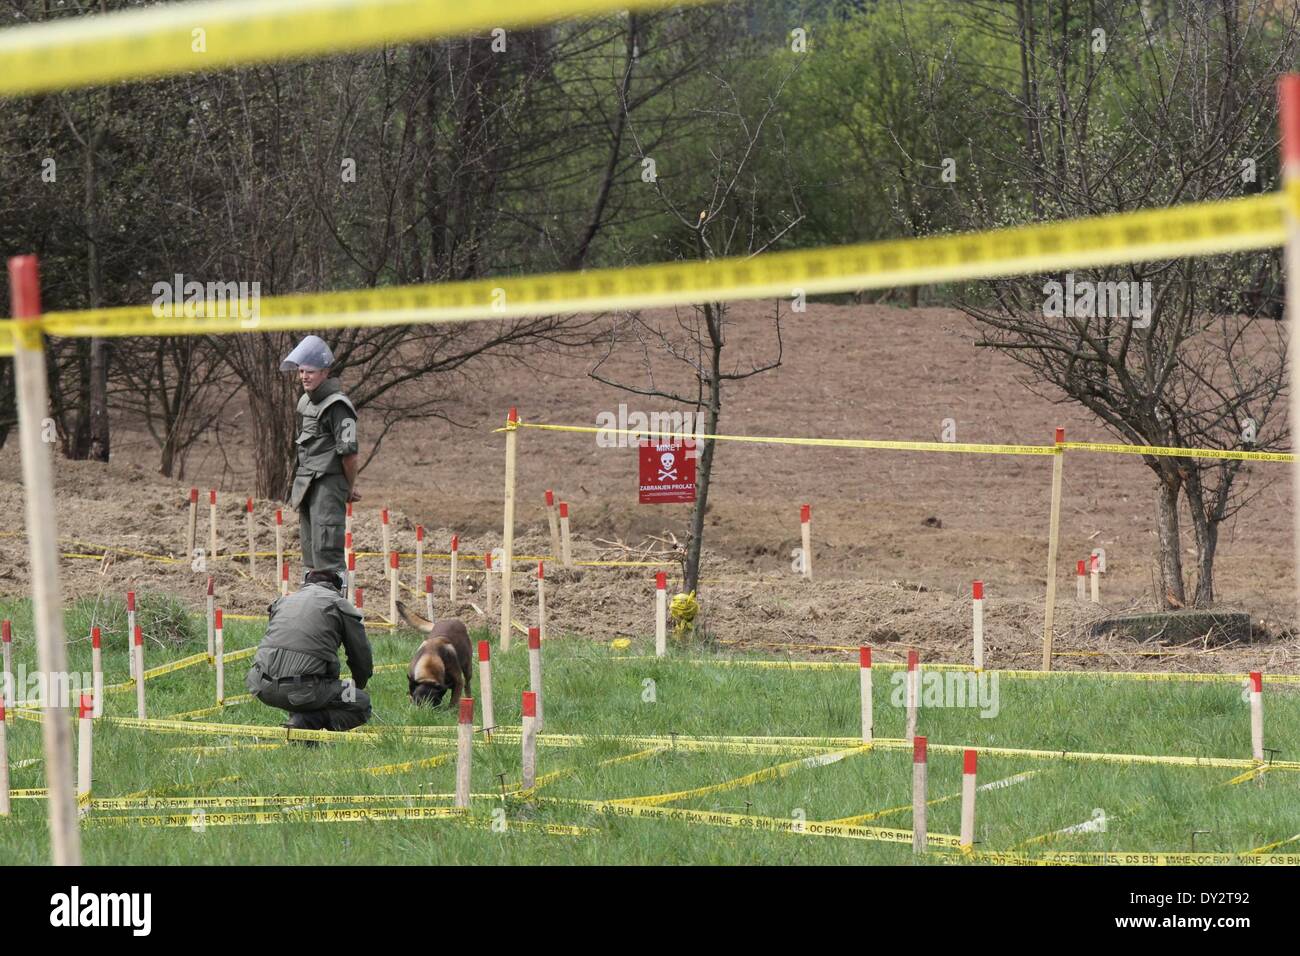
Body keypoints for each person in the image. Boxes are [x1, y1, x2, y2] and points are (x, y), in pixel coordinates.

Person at [245, 569, 373, 732]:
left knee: (309, 685)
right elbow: (361, 656)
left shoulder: (283, 601)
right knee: (361, 702)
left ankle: (302, 724)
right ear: (340, 587)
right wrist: (358, 685)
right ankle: (306, 722)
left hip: (259, 685)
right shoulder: (338, 604)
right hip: (302, 691)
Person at [281, 334, 358, 577]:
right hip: (306, 485)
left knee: (328, 555)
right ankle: (312, 608)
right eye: (301, 371)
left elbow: (349, 456)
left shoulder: (338, 406)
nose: (304, 376)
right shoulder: (305, 402)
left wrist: (348, 486)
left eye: (311, 371)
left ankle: (334, 609)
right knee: (311, 555)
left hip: (328, 484)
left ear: (325, 372)